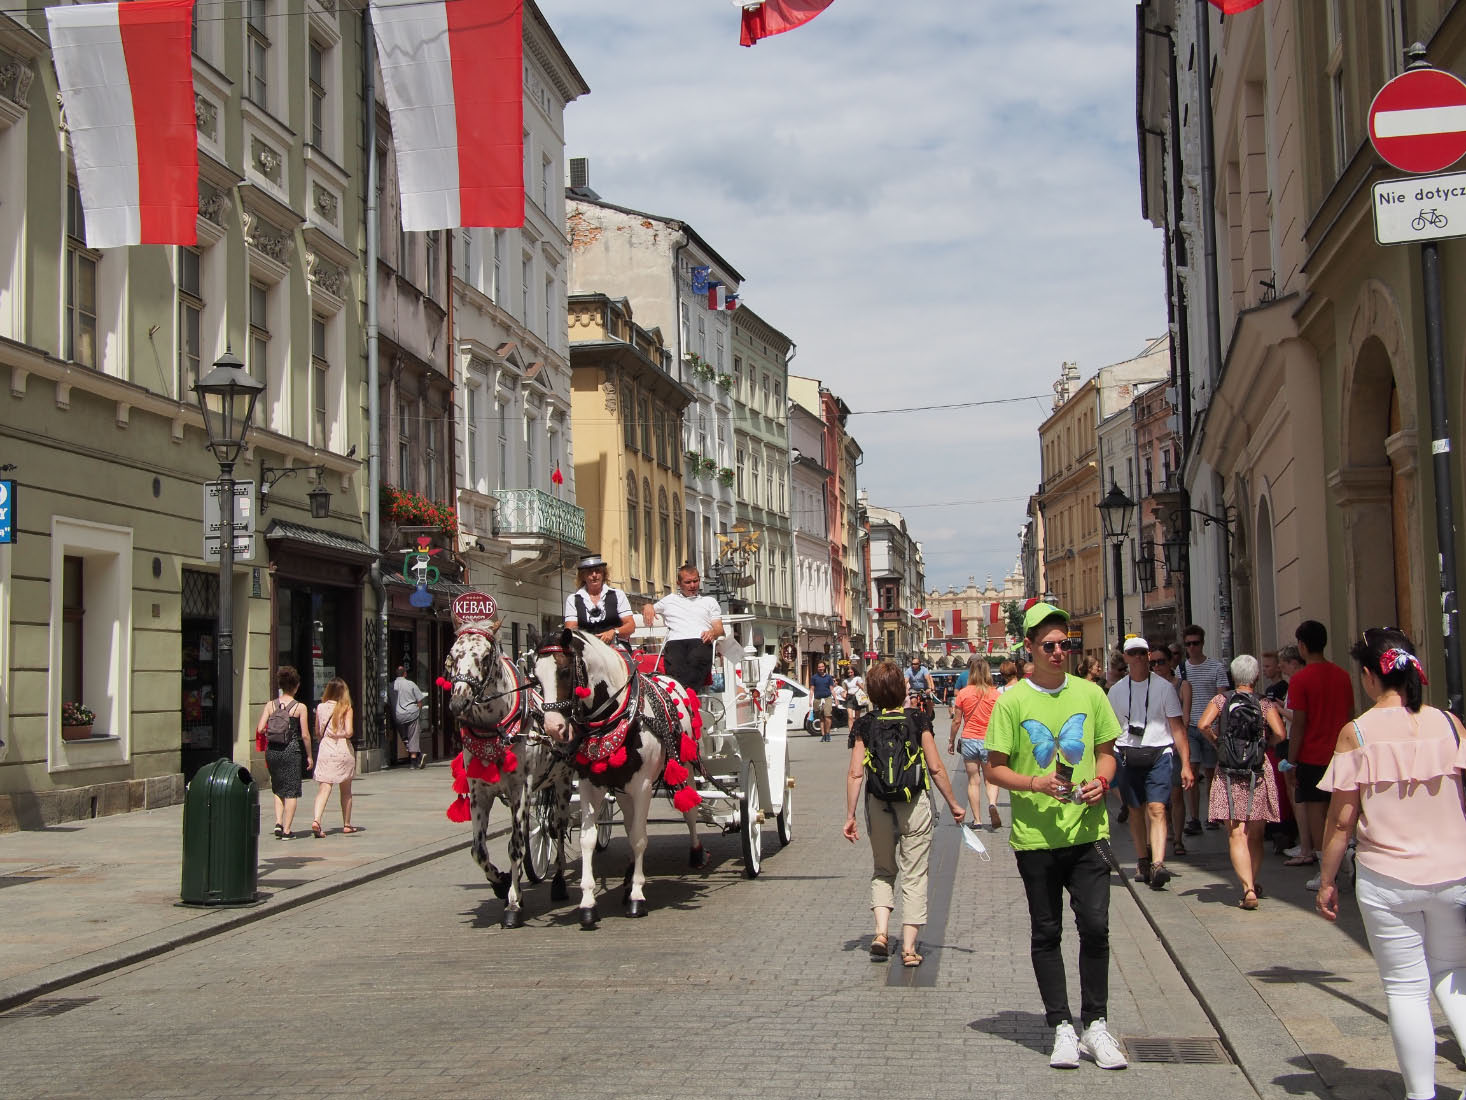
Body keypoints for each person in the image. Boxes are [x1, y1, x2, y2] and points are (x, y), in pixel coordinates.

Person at [1316, 627, 1466, 1100]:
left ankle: (1421, 1094)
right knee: (1453, 974)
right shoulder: (1451, 724)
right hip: (1455, 871)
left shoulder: (1357, 732)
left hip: (1389, 877)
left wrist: (1326, 879)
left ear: (1369, 675)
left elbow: (1342, 822)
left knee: (1405, 989)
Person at [985, 602, 1127, 1071]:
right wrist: (1035, 783)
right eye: (1049, 645)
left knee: (1096, 927)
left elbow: (1107, 752)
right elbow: (995, 769)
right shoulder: (1011, 702)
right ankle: (1062, 1025)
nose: (1059, 652)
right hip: (1036, 839)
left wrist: (1101, 782)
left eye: (1065, 643)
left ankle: (1096, 1024)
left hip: (1088, 833)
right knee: (1047, 931)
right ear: (1029, 647)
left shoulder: (1090, 693)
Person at [843, 659, 965, 968]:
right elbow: (935, 768)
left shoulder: (864, 724)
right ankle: (909, 948)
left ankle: (881, 933)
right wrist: (953, 803)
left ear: (872, 692)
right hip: (915, 805)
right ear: (901, 689)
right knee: (915, 874)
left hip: (878, 804)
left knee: (883, 870)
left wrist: (850, 815)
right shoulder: (918, 719)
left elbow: (855, 773)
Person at [1196, 655, 1287, 909]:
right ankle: (1252, 882)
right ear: (1256, 677)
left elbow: (1203, 724)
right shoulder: (1264, 703)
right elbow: (1280, 733)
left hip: (1229, 769)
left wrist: (1218, 743)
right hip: (1257, 770)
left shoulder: (1222, 700)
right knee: (1256, 833)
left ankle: (1247, 889)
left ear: (1234, 676)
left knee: (1236, 832)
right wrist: (1264, 746)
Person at [1108, 636, 1192, 890]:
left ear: (1147, 656)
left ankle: (1158, 863)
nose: (1137, 658)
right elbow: (1109, 731)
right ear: (1125, 657)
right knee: (1135, 810)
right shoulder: (1116, 691)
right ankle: (1142, 859)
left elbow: (1177, 728)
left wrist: (1186, 764)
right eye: (1132, 653)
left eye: (1141, 653)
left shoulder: (1164, 688)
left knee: (1157, 808)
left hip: (1158, 753)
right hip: (1126, 754)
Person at [1285, 619, 1354, 885]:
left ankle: (1326, 870)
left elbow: (1299, 724)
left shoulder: (1300, 680)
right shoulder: (1343, 676)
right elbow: (1350, 715)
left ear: (1302, 646)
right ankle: (1346, 851)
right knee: (1342, 811)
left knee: (1317, 814)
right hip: (1342, 753)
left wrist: (1291, 761)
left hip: (1312, 756)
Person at [642, 564, 723, 691]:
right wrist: (648, 606)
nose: (693, 585)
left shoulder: (709, 602)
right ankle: (686, 694)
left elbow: (719, 629)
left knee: (696, 659)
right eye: (688, 582)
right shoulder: (670, 600)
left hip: (700, 639)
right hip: (676, 641)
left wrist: (713, 632)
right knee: (675, 663)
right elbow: (651, 607)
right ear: (678, 583)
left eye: (695, 581)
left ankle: (684, 694)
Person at [1181, 624, 1229, 836]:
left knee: (1211, 772)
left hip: (1211, 727)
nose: (1192, 647)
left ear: (1202, 643)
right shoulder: (1181, 669)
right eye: (1188, 644)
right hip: (1190, 727)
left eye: (1195, 643)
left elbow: (1222, 697)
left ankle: (1212, 815)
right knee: (1191, 771)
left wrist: (1219, 723)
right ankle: (1194, 818)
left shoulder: (1216, 667)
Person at [257, 665, 313, 839]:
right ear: (296, 686)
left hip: (272, 750)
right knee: (291, 790)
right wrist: (310, 756)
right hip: (291, 750)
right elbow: (305, 735)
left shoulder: (270, 705)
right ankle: (287, 830)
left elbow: (260, 728)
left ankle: (278, 822)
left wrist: (273, 731)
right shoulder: (300, 707)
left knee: (278, 787)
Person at [949, 656, 1004, 830]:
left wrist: (951, 741)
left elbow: (957, 721)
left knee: (973, 780)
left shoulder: (964, 693)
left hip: (969, 739)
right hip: (990, 740)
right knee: (991, 779)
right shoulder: (996, 694)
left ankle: (977, 820)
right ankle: (992, 803)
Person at [311, 678, 359, 838]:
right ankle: (347, 824)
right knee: (346, 790)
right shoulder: (346, 707)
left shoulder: (320, 707)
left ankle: (317, 820)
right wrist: (340, 733)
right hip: (343, 749)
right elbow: (349, 732)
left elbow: (317, 731)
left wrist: (328, 735)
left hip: (326, 748)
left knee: (324, 788)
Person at [565, 554, 636, 646]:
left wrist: (614, 632)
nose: (594, 575)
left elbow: (631, 626)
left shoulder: (618, 595)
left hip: (616, 647)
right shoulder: (573, 600)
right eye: (589, 572)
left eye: (598, 571)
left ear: (603, 574)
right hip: (587, 648)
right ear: (583, 576)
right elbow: (571, 630)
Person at [391, 665, 427, 769]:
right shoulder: (411, 684)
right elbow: (420, 700)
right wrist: (418, 711)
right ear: (405, 674)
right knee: (413, 736)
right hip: (412, 713)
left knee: (405, 737)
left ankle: (419, 755)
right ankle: (414, 761)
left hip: (398, 715)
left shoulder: (392, 685)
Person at [810, 660, 836, 742]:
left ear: (824, 667)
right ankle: (823, 735)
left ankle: (828, 734)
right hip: (817, 699)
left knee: (827, 716)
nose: (821, 668)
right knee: (821, 718)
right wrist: (810, 700)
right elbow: (812, 689)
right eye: (819, 667)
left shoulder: (829, 677)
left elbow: (832, 689)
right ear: (817, 668)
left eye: (822, 667)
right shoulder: (814, 677)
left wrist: (836, 699)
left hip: (827, 698)